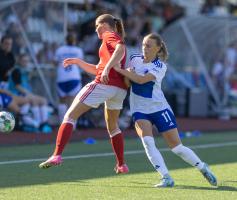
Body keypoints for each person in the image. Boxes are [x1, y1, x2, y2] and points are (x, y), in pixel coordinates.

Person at [114, 33, 217, 187]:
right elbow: (129, 83)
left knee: (177, 148)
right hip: (140, 110)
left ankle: (202, 167)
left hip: (159, 109)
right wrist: (127, 74)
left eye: (148, 46)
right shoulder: (134, 58)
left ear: (158, 48)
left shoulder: (160, 66)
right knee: (148, 142)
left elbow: (141, 80)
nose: (144, 48)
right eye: (143, 44)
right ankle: (166, 177)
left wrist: (120, 70)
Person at [39, 14, 129, 173]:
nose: (95, 29)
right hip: (119, 90)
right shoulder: (106, 44)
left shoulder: (109, 35)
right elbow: (98, 69)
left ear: (104, 25)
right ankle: (121, 165)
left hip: (104, 85)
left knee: (70, 115)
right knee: (113, 127)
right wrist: (79, 62)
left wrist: (107, 68)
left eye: (97, 26)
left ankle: (56, 155)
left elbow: (120, 49)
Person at [8, 53, 52, 132]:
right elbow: (17, 86)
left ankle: (44, 123)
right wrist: (29, 94)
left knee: (43, 100)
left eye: (27, 61)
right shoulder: (16, 70)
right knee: (34, 100)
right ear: (20, 61)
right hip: (17, 94)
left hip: (25, 94)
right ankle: (39, 124)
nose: (26, 63)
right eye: (24, 61)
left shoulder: (25, 70)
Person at [54, 33, 84, 122]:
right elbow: (81, 64)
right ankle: (72, 125)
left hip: (61, 77)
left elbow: (54, 62)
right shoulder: (78, 50)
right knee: (72, 102)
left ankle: (62, 123)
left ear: (65, 40)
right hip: (73, 77)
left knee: (62, 101)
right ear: (74, 40)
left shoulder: (60, 50)